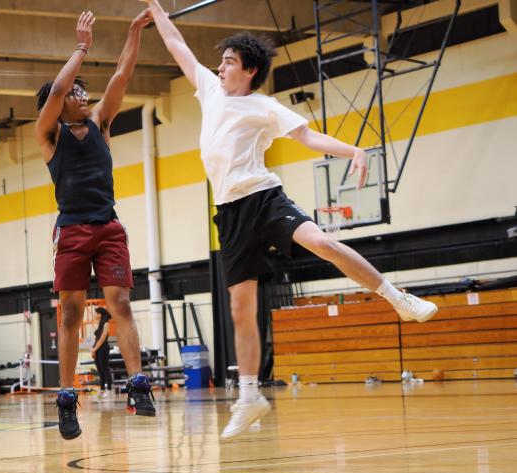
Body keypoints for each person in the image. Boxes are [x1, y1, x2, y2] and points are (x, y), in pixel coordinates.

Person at [140, 0, 439, 439]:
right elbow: (177, 44)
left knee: (323, 244)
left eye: (229, 62)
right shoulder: (207, 88)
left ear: (249, 71)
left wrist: (354, 150)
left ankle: (399, 298)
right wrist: (159, 12)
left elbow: (306, 136)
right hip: (229, 212)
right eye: (221, 61)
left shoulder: (265, 106)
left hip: (265, 198)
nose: (220, 66)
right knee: (241, 309)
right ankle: (249, 396)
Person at [34, 9, 156, 439]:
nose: (82, 95)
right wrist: (82, 47)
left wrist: (132, 32)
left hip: (107, 226)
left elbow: (124, 72)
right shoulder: (50, 134)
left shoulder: (101, 122)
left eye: (84, 91)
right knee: (69, 312)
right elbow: (58, 91)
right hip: (72, 231)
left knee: (119, 304)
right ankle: (67, 398)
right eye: (76, 92)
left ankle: (138, 384)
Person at [91, 307, 113, 397]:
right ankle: (102, 389)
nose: (94, 315)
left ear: (99, 314)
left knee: (105, 369)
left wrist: (94, 349)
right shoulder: (98, 324)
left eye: (95, 313)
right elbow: (96, 339)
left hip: (103, 348)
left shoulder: (106, 324)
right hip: (97, 348)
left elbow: (103, 338)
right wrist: (93, 350)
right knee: (99, 369)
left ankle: (109, 389)